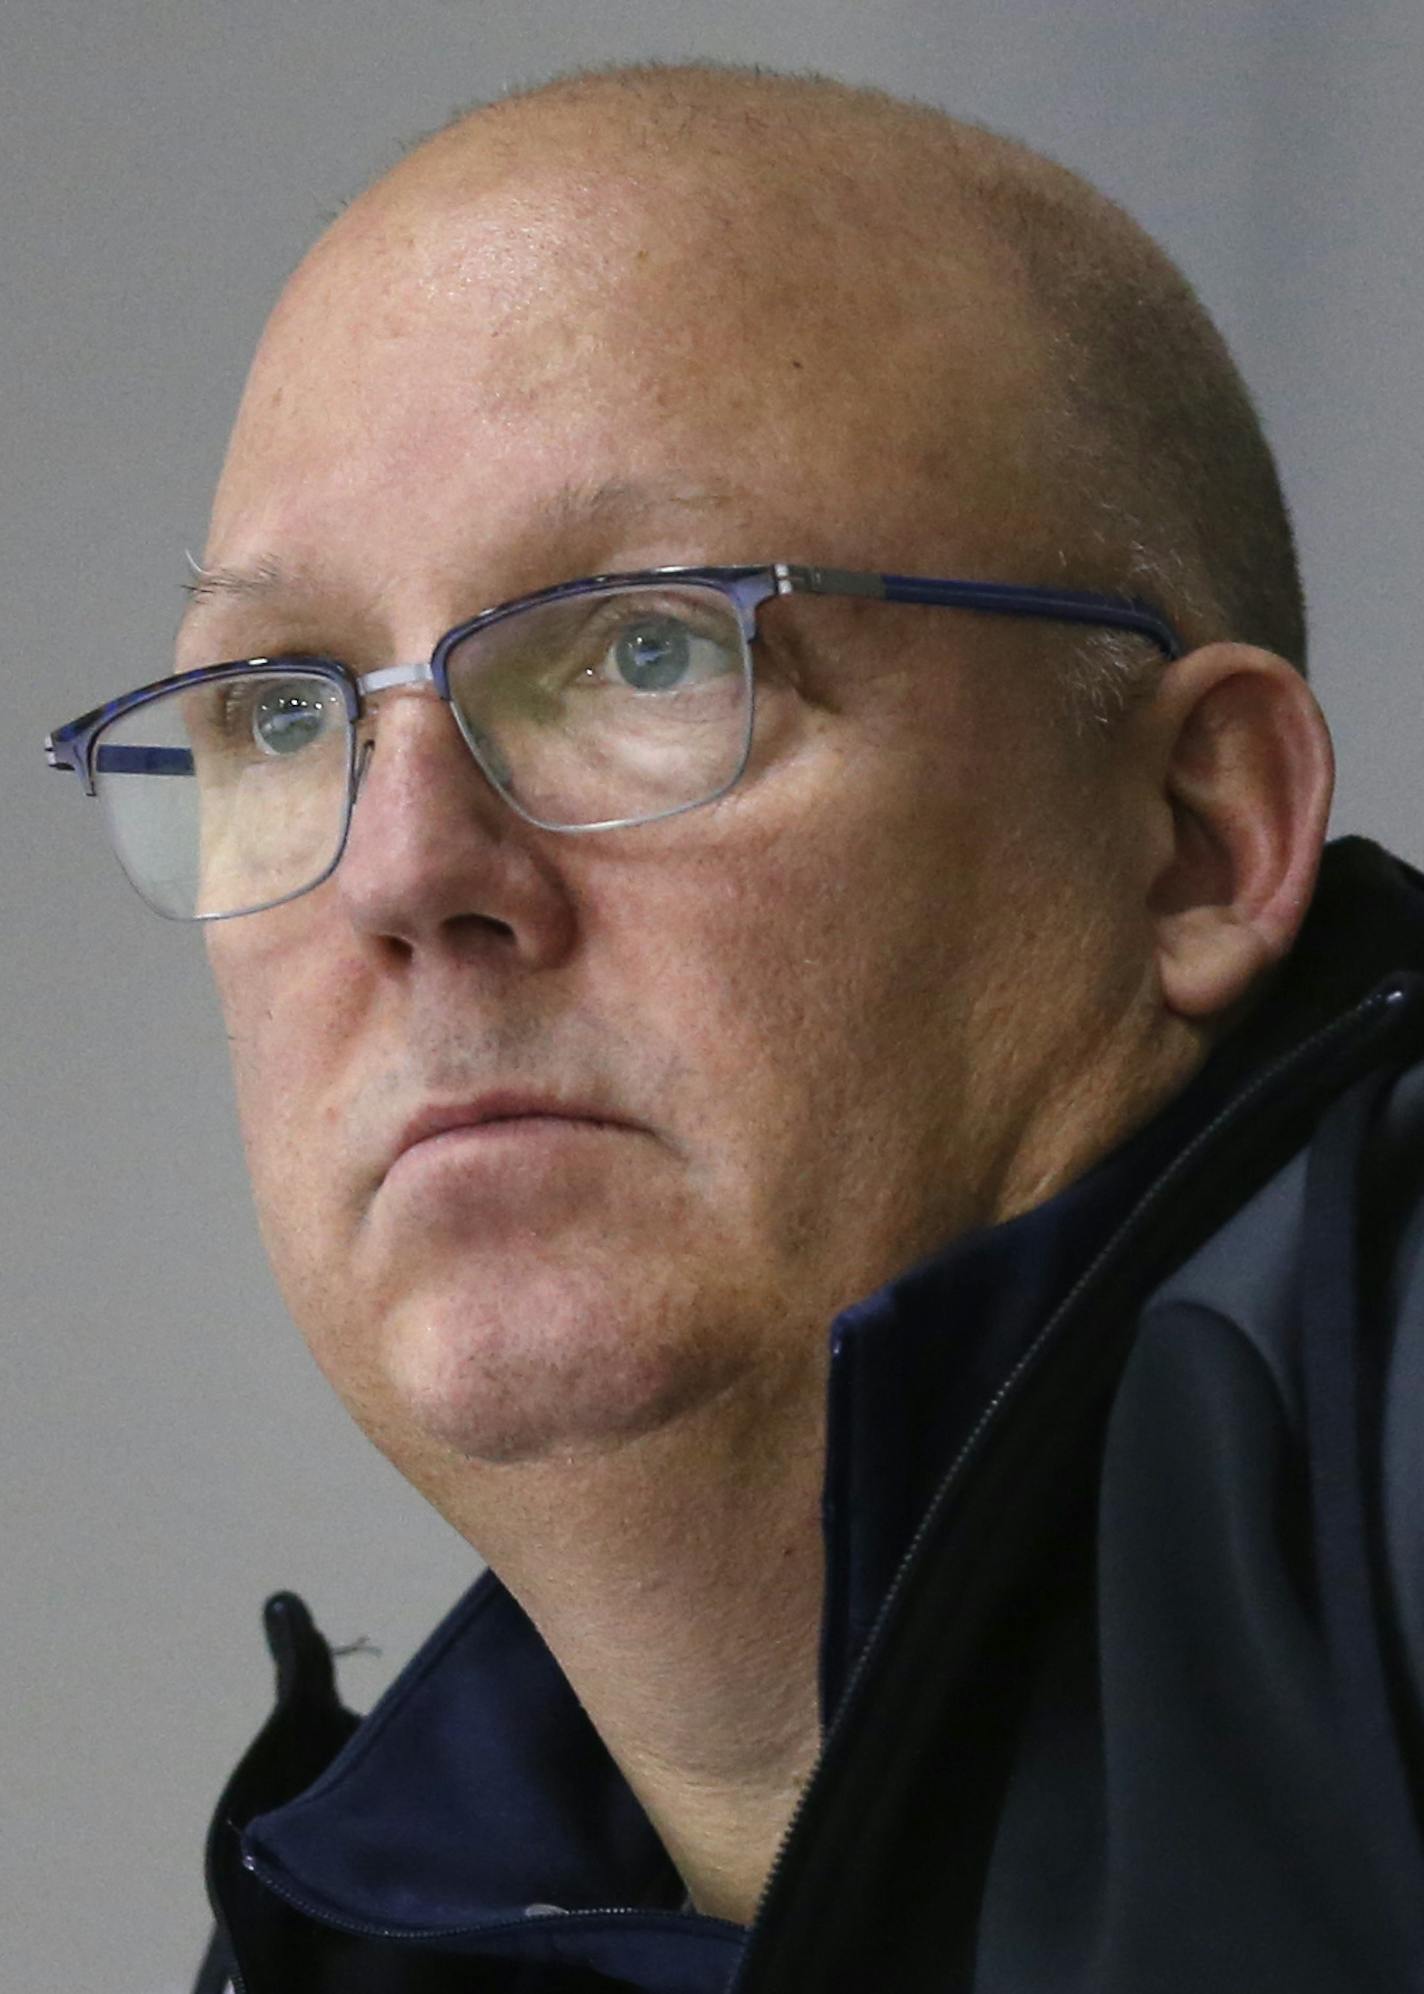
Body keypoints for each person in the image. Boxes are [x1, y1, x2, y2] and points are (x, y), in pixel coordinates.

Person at [44, 61, 1424, 1994]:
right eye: (285, 713)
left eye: (648, 646)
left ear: (1193, 837)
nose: (403, 868)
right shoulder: (335, 1943)